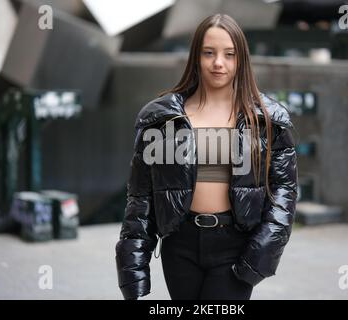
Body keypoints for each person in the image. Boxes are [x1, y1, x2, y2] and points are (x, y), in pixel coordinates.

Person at [115, 13, 298, 300]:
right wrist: (132, 268)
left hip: (235, 246)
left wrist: (262, 252)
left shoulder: (268, 120)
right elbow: (141, 196)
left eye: (229, 54)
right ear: (195, 57)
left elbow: (284, 190)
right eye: (209, 53)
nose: (218, 63)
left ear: (241, 60)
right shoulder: (161, 118)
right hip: (180, 246)